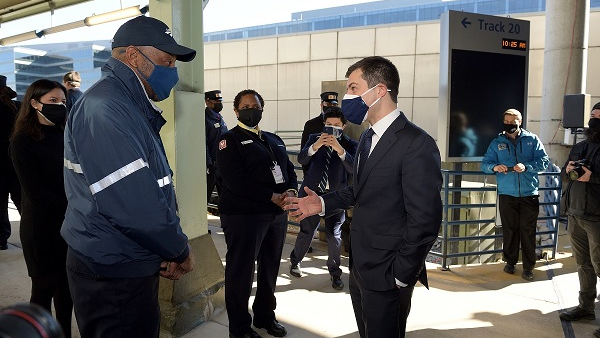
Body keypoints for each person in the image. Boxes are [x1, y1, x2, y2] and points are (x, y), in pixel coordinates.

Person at [284, 56, 443, 338]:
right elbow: (359, 190)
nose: (347, 97)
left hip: (389, 273)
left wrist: (400, 275)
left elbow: (426, 220)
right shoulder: (368, 138)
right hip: (359, 266)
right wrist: (321, 203)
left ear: (380, 91)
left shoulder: (417, 143)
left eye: (354, 88)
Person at [60, 15, 196, 338]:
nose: (172, 71)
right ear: (133, 56)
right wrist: (179, 250)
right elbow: (136, 206)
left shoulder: (126, 103)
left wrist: (161, 248)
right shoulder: (106, 108)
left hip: (127, 258)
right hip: (112, 271)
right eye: (166, 61)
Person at [217, 89, 298, 338]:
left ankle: (265, 316)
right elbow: (234, 180)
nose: (251, 109)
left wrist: (291, 191)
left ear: (262, 108)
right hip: (245, 217)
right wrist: (270, 196)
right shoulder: (228, 141)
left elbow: (288, 170)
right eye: (246, 106)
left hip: (276, 216)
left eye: (256, 105)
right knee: (241, 273)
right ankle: (240, 329)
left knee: (270, 268)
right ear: (236, 110)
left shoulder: (273, 139)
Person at [9, 79, 73, 336]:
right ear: (34, 103)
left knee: (67, 289)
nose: (60, 106)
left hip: (68, 225)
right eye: (53, 101)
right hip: (42, 228)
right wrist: (74, 210)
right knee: (44, 290)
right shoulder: (22, 141)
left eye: (63, 102)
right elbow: (35, 193)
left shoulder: (65, 134)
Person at [289, 106, 357, 290]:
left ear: (343, 126)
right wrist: (315, 146)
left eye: (336, 125)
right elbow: (302, 159)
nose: (332, 128)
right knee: (307, 231)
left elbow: (354, 169)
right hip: (311, 194)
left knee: (334, 235)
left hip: (335, 197)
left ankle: (335, 274)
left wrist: (340, 150)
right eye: (328, 124)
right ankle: (295, 262)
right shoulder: (314, 139)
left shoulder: (350, 144)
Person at [481, 109, 549, 281]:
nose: (510, 124)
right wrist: (495, 168)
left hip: (529, 194)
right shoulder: (496, 142)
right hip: (507, 194)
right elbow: (485, 164)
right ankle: (510, 262)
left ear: (520, 121)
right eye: (507, 121)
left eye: (513, 121)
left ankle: (528, 267)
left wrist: (526, 166)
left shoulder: (532, 140)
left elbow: (544, 161)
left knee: (528, 232)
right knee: (510, 230)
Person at [558, 102, 600, 338]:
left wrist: (592, 177)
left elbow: (592, 177)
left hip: (597, 217)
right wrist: (569, 168)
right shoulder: (581, 146)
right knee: (584, 264)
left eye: (598, 117)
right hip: (575, 213)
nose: (593, 121)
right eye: (592, 116)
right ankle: (585, 308)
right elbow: (566, 172)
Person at [0, 75, 22, 250]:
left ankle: (1, 240)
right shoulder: (18, 107)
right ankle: (37, 237)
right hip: (17, 162)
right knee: (24, 202)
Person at [300, 91, 339, 173]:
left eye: (334, 104)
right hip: (315, 173)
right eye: (327, 104)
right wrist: (307, 176)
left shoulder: (341, 123)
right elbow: (304, 152)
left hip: (335, 173)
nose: (331, 107)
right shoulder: (311, 124)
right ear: (321, 105)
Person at [205, 89, 228, 203]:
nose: (219, 103)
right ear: (207, 101)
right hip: (212, 166)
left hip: (223, 164)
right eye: (216, 101)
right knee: (205, 196)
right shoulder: (205, 118)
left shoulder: (220, 117)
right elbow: (203, 143)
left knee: (226, 197)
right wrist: (209, 163)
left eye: (220, 100)